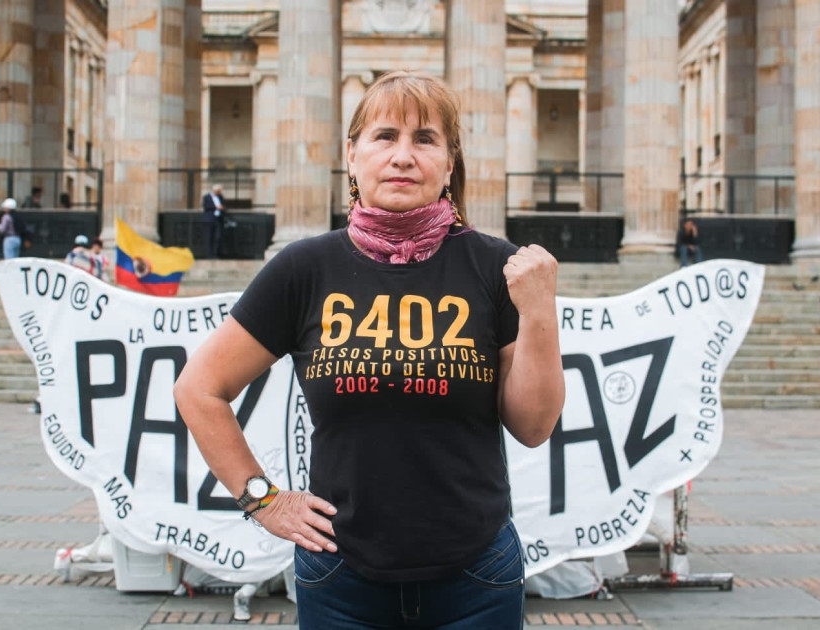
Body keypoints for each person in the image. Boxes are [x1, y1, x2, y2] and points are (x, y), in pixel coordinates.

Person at [174, 71, 565, 629]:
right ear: (351, 156)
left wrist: (538, 313)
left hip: (476, 573)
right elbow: (199, 388)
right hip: (341, 576)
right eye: (385, 137)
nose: (403, 156)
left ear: (449, 164)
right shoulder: (305, 269)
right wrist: (262, 500)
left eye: (424, 139)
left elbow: (533, 425)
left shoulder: (495, 267)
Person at [202, 184, 226, 259]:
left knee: (217, 237)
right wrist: (216, 207)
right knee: (209, 237)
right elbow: (206, 207)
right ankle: (209, 255)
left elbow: (223, 205)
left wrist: (222, 208)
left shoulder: (220, 197)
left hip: (218, 219)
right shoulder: (207, 197)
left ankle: (216, 254)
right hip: (209, 219)